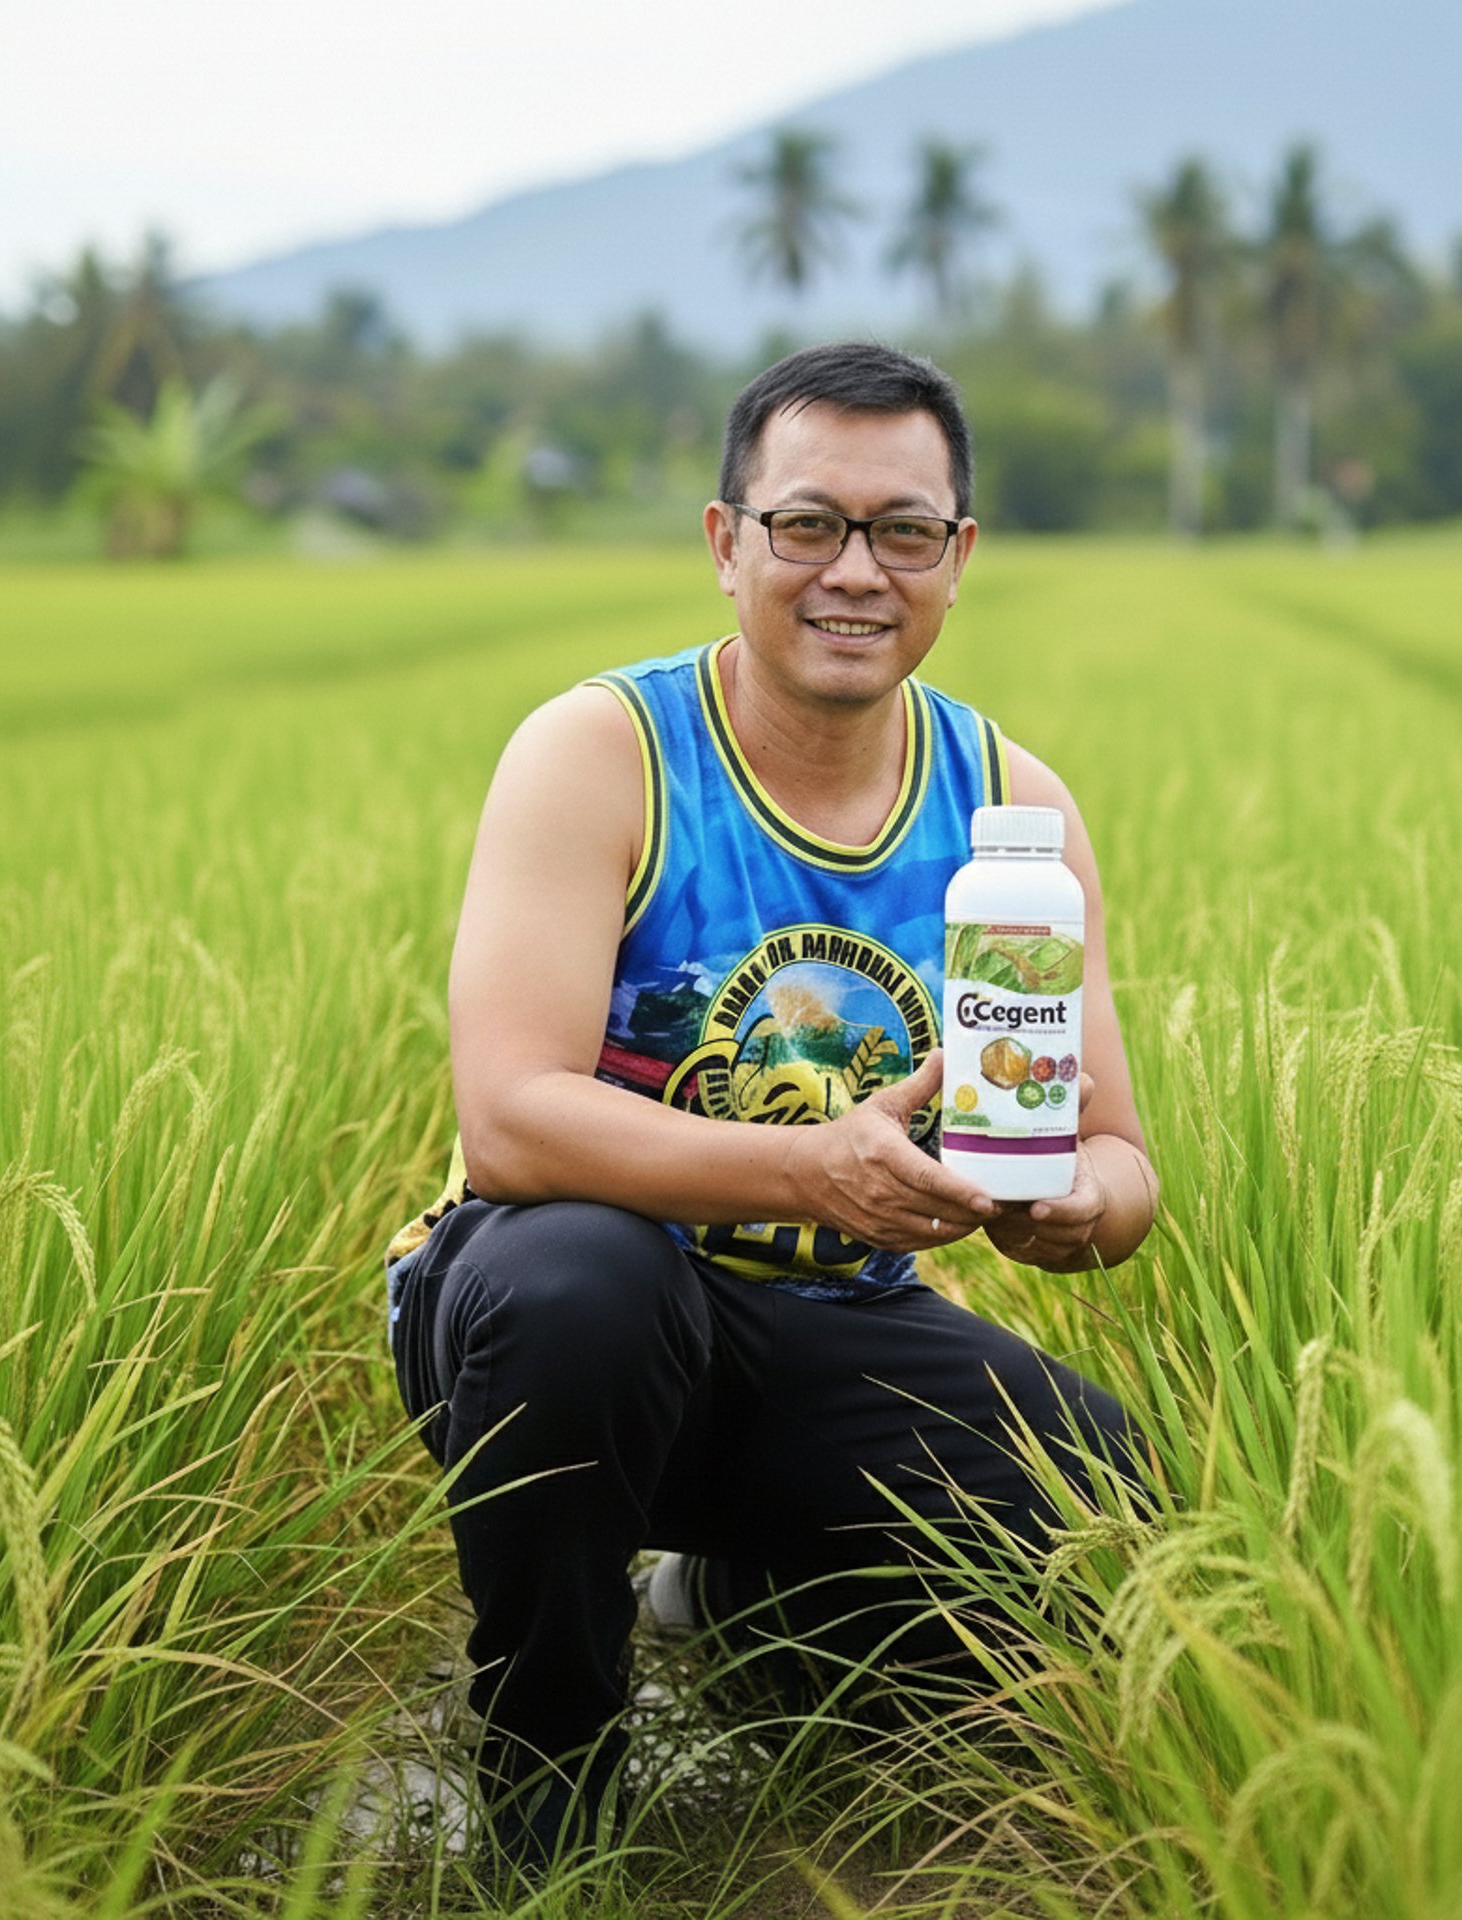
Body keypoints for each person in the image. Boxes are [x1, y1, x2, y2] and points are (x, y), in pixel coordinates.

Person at [383, 341, 1158, 1881]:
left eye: (904, 531)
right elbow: (510, 1127)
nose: (855, 572)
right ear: (727, 540)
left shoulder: (1010, 801)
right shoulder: (603, 751)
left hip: (823, 1330)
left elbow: (1119, 1156)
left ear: (960, 556)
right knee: (582, 1280)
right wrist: (815, 1167)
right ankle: (551, 1771)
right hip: (552, 1322)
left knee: (1103, 1502)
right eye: (808, 525)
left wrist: (1076, 1211)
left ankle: (742, 1602)